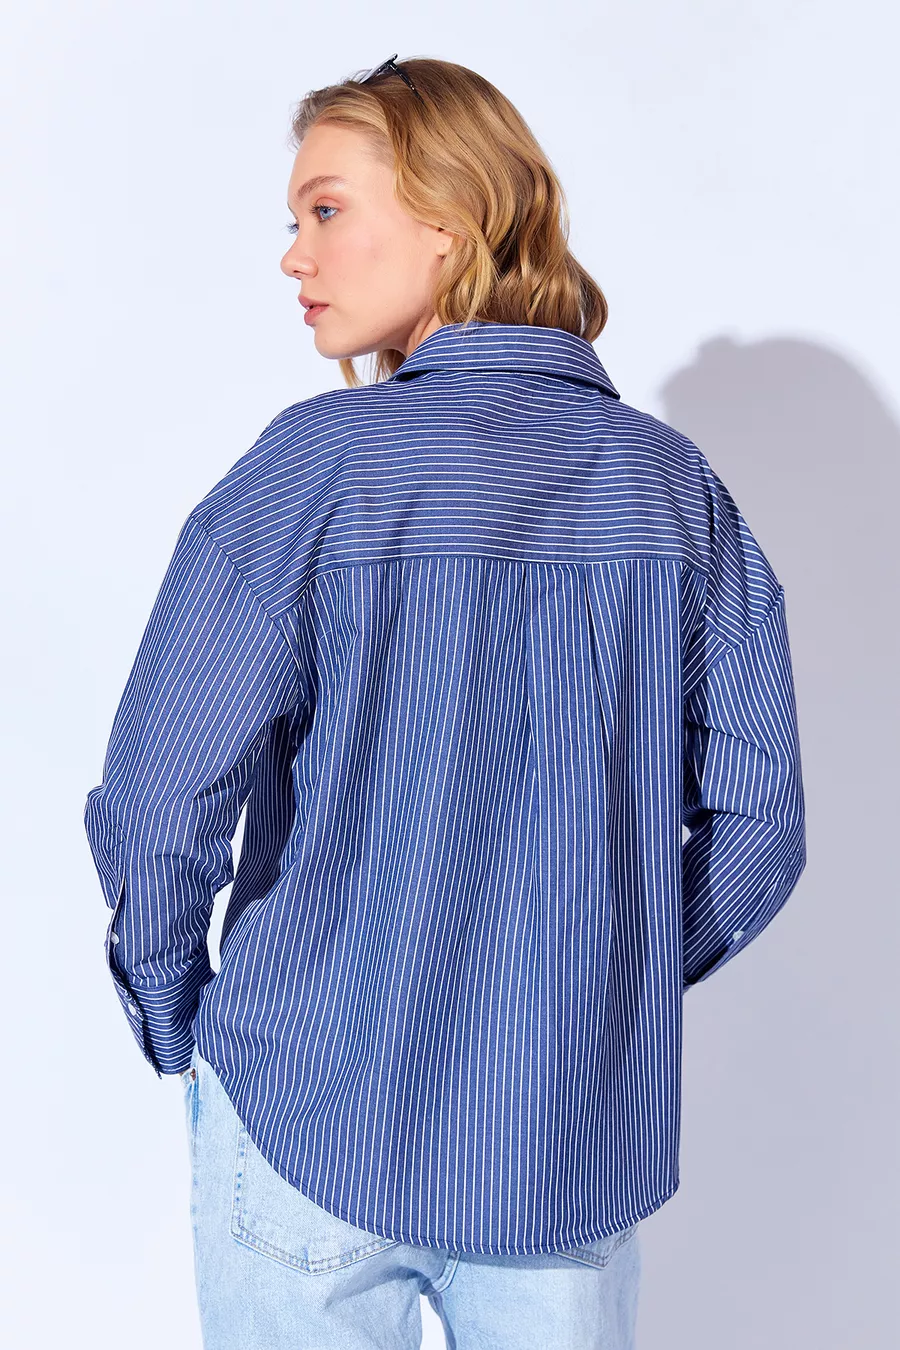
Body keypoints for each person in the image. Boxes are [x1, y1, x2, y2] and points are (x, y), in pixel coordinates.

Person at [83, 54, 806, 1350]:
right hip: (561, 1135)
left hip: (306, 1109)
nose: (294, 256)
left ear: (452, 220)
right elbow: (760, 825)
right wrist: (605, 980)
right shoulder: (673, 489)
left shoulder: (318, 465)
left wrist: (179, 1009)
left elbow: (160, 791)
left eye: (325, 209)